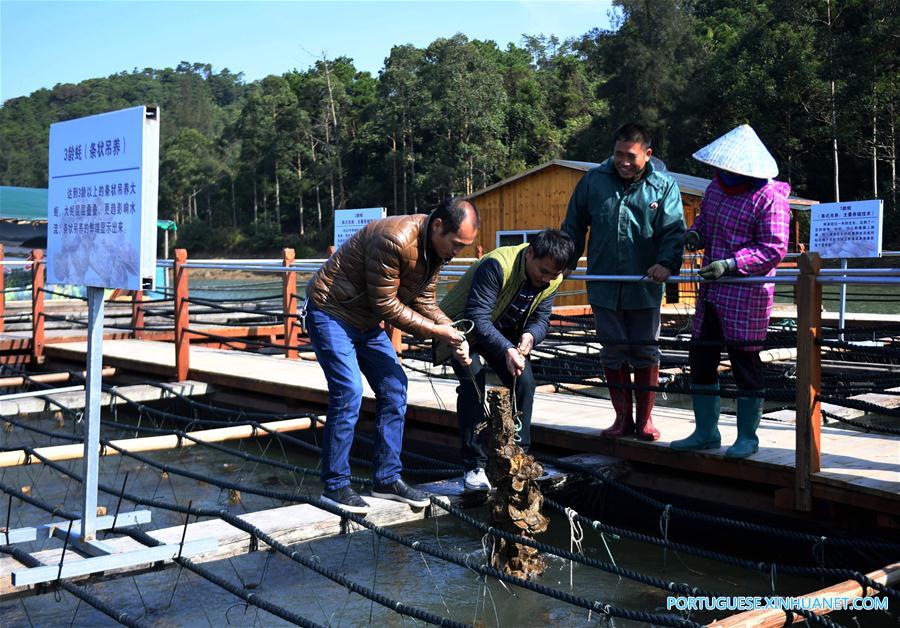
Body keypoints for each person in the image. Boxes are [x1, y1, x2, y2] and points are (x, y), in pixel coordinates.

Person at [305, 197, 478, 513]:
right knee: (349, 391)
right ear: (438, 226)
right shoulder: (394, 237)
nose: (458, 252)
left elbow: (423, 301)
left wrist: (456, 332)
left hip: (365, 319)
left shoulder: (435, 251)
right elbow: (387, 306)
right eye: (456, 244)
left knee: (395, 387)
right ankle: (335, 486)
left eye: (464, 247)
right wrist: (439, 332)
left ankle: (386, 479)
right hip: (331, 311)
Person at [671, 124, 790, 458]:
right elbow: (705, 224)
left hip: (746, 292)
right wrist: (695, 236)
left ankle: (747, 437)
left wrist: (731, 264)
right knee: (701, 356)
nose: (721, 171)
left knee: (744, 361)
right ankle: (706, 431)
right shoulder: (715, 189)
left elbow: (773, 249)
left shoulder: (770, 198)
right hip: (711, 291)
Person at [562, 123, 685, 441]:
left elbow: (674, 230)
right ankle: (621, 419)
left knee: (645, 350)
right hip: (604, 284)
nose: (623, 162)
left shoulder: (663, 186)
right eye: (618, 154)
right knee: (612, 351)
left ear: (647, 154)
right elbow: (574, 225)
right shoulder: (593, 181)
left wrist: (667, 263)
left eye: (630, 156)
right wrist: (565, 260)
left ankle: (644, 420)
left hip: (644, 285)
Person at [435, 229, 575, 490]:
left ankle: (520, 455)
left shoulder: (551, 280)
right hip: (464, 331)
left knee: (525, 383)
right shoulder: (497, 265)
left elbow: (541, 319)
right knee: (473, 382)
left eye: (553, 275)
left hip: (505, 334)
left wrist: (530, 337)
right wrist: (507, 349)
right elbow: (477, 317)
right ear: (530, 253)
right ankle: (474, 465)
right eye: (542, 271)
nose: (545, 279)